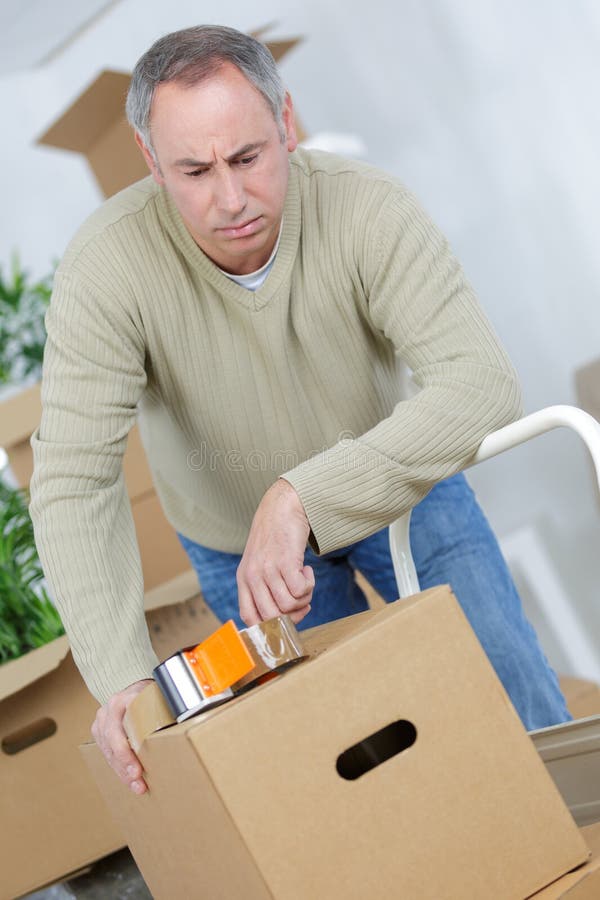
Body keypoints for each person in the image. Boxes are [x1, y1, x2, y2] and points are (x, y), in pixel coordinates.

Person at [29, 25, 569, 798]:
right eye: (193, 169)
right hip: (233, 544)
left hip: (404, 499)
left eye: (247, 157)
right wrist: (118, 675)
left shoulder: (366, 208)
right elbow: (75, 482)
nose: (231, 197)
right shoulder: (107, 267)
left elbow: (480, 384)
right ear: (150, 162)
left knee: (519, 696)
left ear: (286, 121)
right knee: (366, 759)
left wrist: (300, 497)